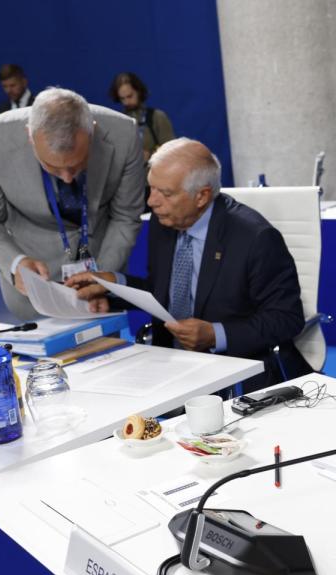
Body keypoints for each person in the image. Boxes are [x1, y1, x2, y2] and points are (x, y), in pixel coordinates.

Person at [66, 138, 312, 391]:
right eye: (151, 188)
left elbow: (286, 318)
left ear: (202, 196)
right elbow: (164, 293)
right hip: (169, 362)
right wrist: (114, 284)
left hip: (232, 370)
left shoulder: (255, 237)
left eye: (166, 193)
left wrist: (216, 335)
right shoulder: (165, 223)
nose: (152, 202)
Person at [0, 87, 145, 320]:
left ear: (93, 132)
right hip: (33, 288)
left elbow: (125, 217)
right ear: (30, 136)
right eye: (53, 167)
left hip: (102, 277)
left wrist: (101, 279)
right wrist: (16, 263)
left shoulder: (124, 133)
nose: (67, 177)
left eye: (77, 165)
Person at [109, 72, 175, 164]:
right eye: (122, 99)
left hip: (154, 173)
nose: (126, 102)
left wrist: (151, 155)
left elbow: (172, 151)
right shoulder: (118, 121)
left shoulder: (157, 117)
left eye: (130, 96)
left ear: (139, 92)